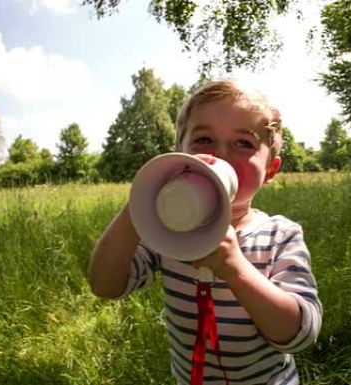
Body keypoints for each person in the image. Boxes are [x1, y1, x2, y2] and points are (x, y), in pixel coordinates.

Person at [88, 79, 322, 384]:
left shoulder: (280, 235)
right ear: (180, 155)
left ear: (270, 170)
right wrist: (139, 205)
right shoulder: (166, 229)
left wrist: (236, 270)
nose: (220, 155)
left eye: (243, 143)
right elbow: (105, 285)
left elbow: (299, 334)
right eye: (203, 140)